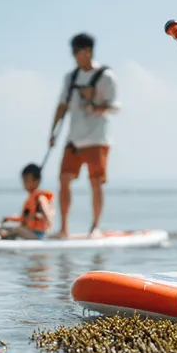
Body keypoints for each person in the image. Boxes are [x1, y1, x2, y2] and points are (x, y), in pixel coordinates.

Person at [48, 33, 119, 239]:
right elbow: (62, 105)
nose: (74, 57)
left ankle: (95, 227)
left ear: (87, 51)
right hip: (74, 138)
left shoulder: (106, 76)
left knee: (95, 181)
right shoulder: (70, 78)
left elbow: (115, 107)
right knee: (63, 179)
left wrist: (94, 103)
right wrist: (52, 132)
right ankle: (63, 229)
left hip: (98, 138)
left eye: (76, 52)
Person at [0, 163, 55, 240]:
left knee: (18, 230)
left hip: (37, 234)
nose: (24, 184)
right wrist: (9, 218)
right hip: (29, 231)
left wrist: (47, 219)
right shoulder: (31, 198)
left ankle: (1, 237)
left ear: (37, 181)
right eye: (23, 181)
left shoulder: (40, 197)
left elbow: (47, 210)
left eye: (27, 181)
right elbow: (24, 218)